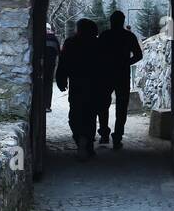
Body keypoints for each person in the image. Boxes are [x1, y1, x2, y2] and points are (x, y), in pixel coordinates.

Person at [96, 10, 143, 149]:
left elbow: (96, 53)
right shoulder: (129, 36)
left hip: (105, 74)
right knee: (121, 106)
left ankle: (104, 134)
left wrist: (102, 64)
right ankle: (117, 137)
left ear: (111, 21)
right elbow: (138, 55)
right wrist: (126, 62)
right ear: (123, 21)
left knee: (103, 105)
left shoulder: (105, 35)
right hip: (122, 74)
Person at [55, 18, 101, 159]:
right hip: (94, 84)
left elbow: (63, 63)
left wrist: (61, 79)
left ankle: (81, 139)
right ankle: (88, 143)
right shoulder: (97, 44)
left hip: (77, 84)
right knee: (90, 115)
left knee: (75, 113)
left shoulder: (70, 43)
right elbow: (104, 65)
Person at [44, 26, 61, 112]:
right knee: (48, 85)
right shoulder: (54, 39)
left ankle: (39, 105)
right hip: (50, 66)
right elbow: (58, 53)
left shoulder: (38, 37)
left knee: (39, 85)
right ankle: (47, 106)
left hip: (39, 66)